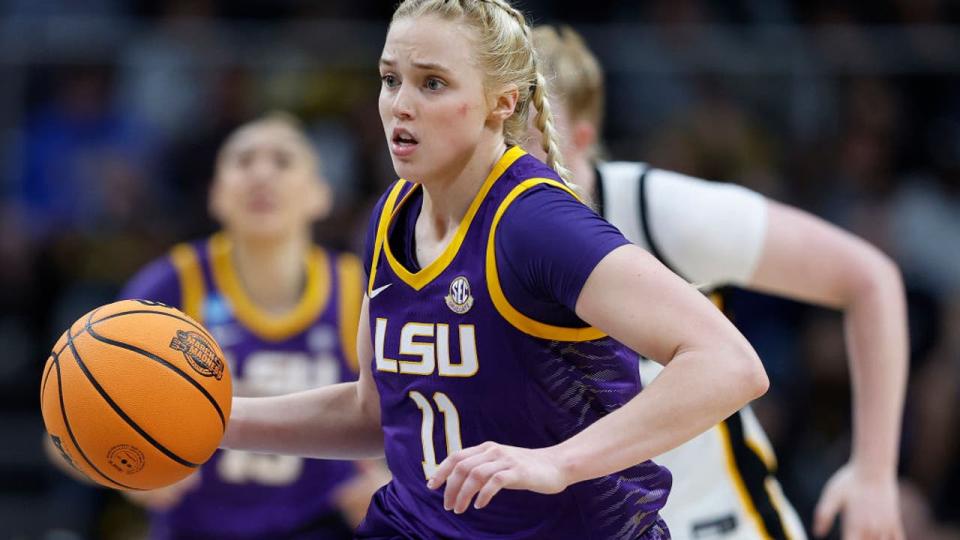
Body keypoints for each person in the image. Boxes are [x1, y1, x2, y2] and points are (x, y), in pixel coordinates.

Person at [220, 1, 769, 538]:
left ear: (501, 102)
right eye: (391, 80)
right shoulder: (392, 213)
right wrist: (215, 421)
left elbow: (730, 364)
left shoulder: (535, 223)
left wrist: (559, 462)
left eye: (432, 83)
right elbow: (375, 412)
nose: (400, 105)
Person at [529, 25, 908, 540]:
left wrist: (875, 472)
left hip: (719, 524)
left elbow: (870, 278)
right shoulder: (460, 231)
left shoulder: (660, 211)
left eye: (523, 138)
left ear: (581, 140)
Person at [117, 113, 383, 539]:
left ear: (320, 195)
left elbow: (417, 414)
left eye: (282, 160)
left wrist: (389, 482)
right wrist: (125, 469)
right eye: (243, 161)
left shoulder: (360, 290)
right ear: (216, 195)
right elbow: (70, 429)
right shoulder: (169, 287)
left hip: (320, 527)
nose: (261, 173)